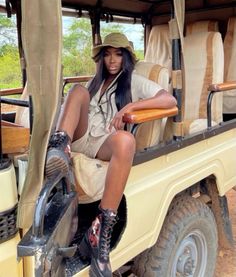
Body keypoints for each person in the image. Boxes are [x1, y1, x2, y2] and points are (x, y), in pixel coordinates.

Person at [46, 32, 176, 277]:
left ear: (126, 57)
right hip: (78, 138)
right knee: (76, 91)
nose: (112, 60)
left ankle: (99, 233)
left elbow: (168, 99)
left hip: (102, 142)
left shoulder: (134, 81)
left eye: (118, 54)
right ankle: (59, 149)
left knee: (126, 141)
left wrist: (130, 106)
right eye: (107, 55)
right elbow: (76, 107)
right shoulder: (94, 82)